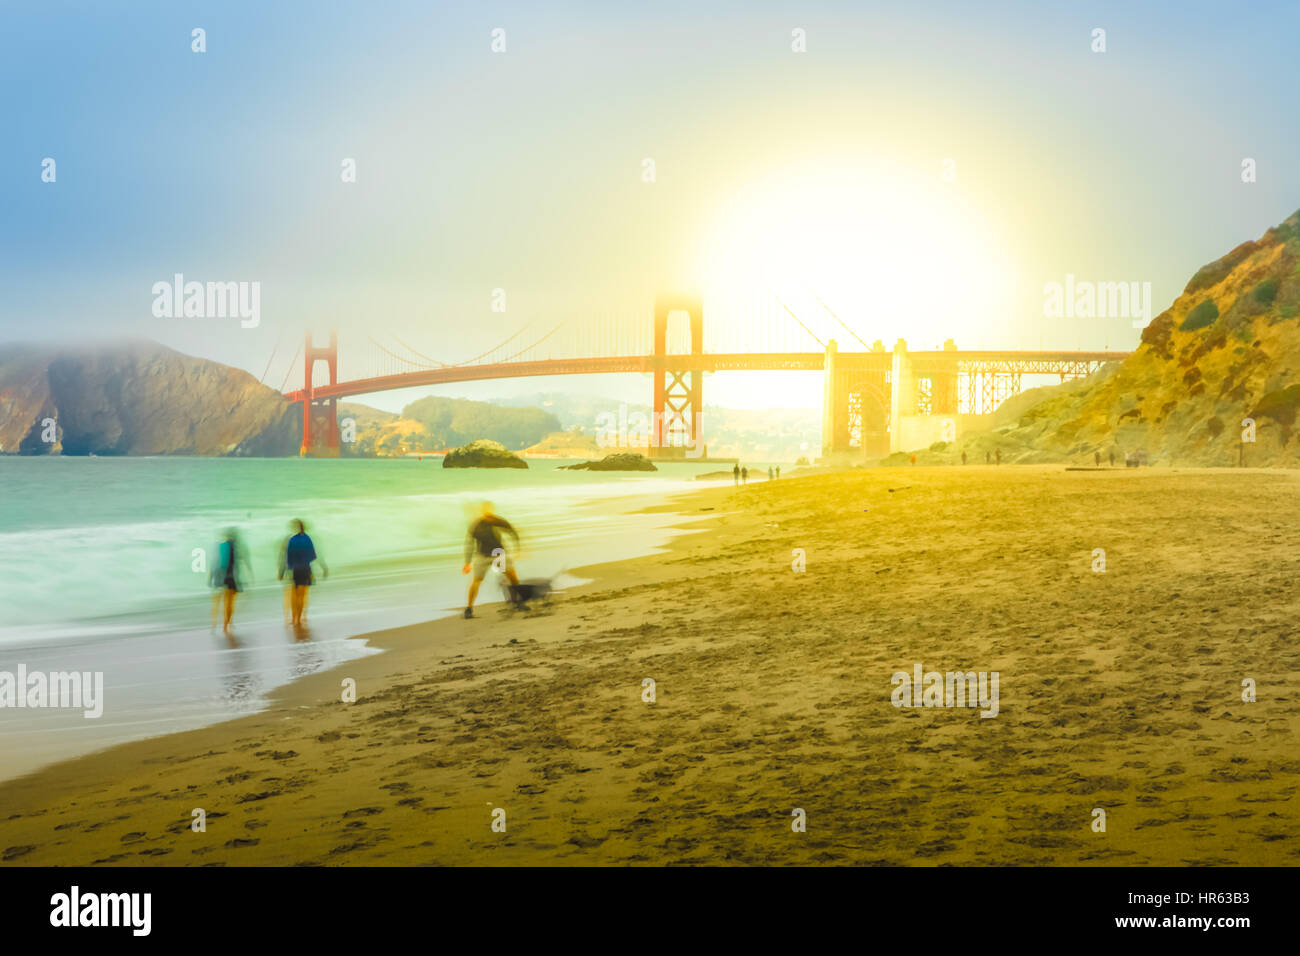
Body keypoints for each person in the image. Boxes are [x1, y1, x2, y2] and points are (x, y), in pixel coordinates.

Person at [462, 501, 520, 619]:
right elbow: (469, 544)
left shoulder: (498, 521)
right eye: (485, 512)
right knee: (477, 581)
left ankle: (517, 602)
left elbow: (512, 532)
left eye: (489, 511)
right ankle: (469, 608)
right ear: (482, 512)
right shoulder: (476, 525)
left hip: (498, 554)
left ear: (492, 510)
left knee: (512, 576)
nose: (488, 514)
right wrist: (467, 562)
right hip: (482, 556)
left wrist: (517, 548)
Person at [280, 519, 326, 628]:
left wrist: (283, 572)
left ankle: (294, 618)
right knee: (302, 596)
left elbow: (288, 559)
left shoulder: (291, 540)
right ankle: (299, 620)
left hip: (295, 570)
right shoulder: (307, 539)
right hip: (306, 569)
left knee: (295, 596)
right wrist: (323, 568)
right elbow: (313, 556)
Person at [209, 528, 250, 635]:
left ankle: (216, 625)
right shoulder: (236, 547)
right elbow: (240, 562)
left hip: (220, 577)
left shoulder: (221, 546)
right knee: (230, 603)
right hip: (232, 578)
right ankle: (226, 626)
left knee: (220, 602)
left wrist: (210, 578)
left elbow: (214, 563)